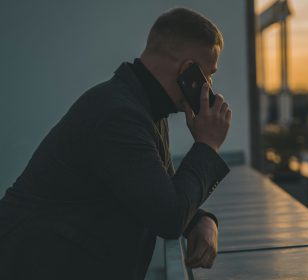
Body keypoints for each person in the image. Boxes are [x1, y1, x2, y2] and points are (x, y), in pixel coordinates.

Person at [0, 7, 231, 280]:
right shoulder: (119, 115)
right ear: (187, 70)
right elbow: (168, 216)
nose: (210, 86)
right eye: (208, 74)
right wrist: (207, 146)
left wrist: (203, 221)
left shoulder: (140, 106)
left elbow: (159, 192)